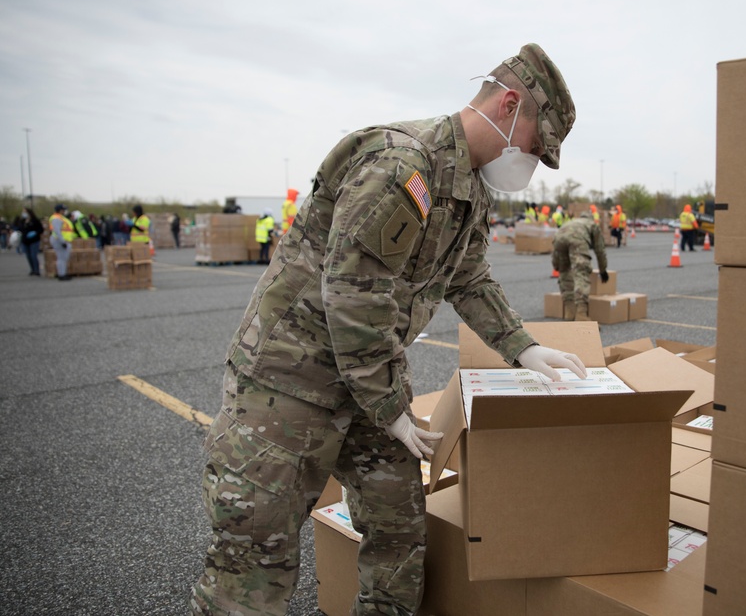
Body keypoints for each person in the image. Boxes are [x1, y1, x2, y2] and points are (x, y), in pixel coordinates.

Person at [191, 42, 583, 616]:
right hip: (289, 386)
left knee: (399, 529)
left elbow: (469, 278)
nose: (529, 159)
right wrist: (393, 407)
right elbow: (352, 293)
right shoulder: (403, 165)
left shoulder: (469, 186)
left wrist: (522, 348)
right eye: (533, 144)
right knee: (255, 562)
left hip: (366, 384)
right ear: (507, 106)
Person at [551, 210, 609, 321]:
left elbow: (556, 254)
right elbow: (600, 250)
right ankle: (581, 314)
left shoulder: (571, 222)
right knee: (581, 273)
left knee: (564, 273)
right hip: (576, 239)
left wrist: (556, 265)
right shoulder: (592, 225)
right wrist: (603, 270)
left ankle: (569, 312)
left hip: (559, 238)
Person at [48, 203, 75, 280]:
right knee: (61, 258)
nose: (65, 211)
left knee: (63, 258)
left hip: (62, 240)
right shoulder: (56, 218)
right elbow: (57, 231)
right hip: (59, 240)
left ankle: (63, 273)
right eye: (64, 210)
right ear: (60, 210)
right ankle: (61, 274)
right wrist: (63, 242)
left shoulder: (61, 218)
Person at [18, 207, 43, 276]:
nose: (24, 213)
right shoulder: (22, 221)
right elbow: (20, 229)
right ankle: (32, 269)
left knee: (33, 255)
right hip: (25, 241)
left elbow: (41, 229)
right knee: (28, 256)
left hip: (34, 240)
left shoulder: (35, 220)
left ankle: (36, 270)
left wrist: (35, 233)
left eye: (25, 212)